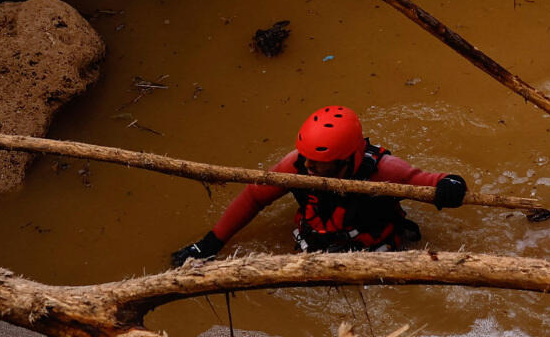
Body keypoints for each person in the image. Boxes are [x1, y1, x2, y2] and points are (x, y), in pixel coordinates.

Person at [169, 106, 468, 264]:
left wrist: (452, 186)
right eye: (306, 159)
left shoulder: (383, 170)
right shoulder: (296, 164)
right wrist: (210, 243)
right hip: (312, 244)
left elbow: (431, 182)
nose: (307, 168)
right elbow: (253, 198)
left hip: (375, 251)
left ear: (345, 160)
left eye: (317, 162)